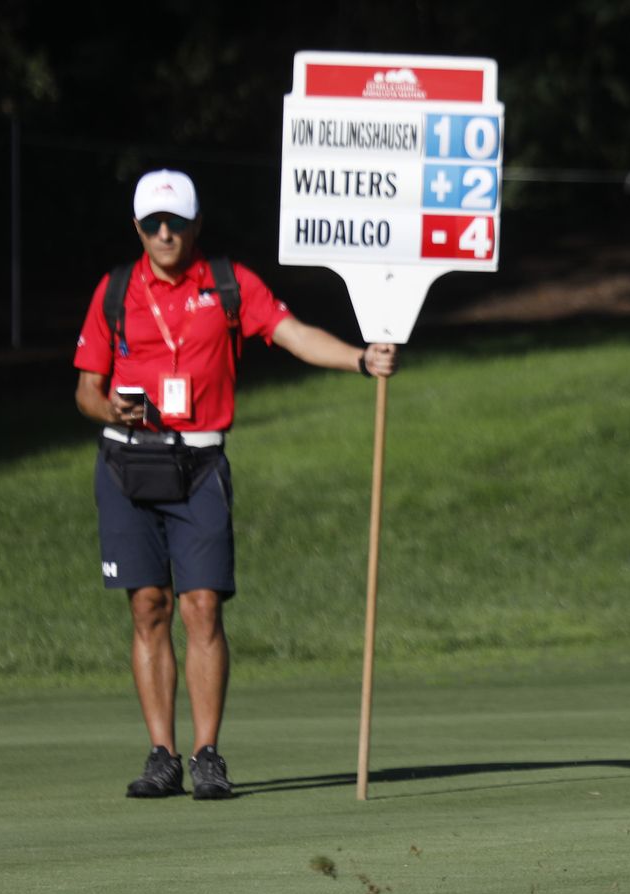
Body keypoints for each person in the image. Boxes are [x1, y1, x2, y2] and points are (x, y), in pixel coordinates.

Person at [73, 169, 397, 800]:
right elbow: (86, 387)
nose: (165, 233)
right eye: (152, 223)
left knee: (202, 607)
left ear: (196, 224)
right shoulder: (115, 290)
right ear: (136, 227)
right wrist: (110, 408)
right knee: (147, 606)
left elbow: (293, 334)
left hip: (198, 463)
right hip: (127, 463)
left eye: (176, 222)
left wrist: (360, 358)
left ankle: (207, 755)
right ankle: (162, 754)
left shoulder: (227, 284)